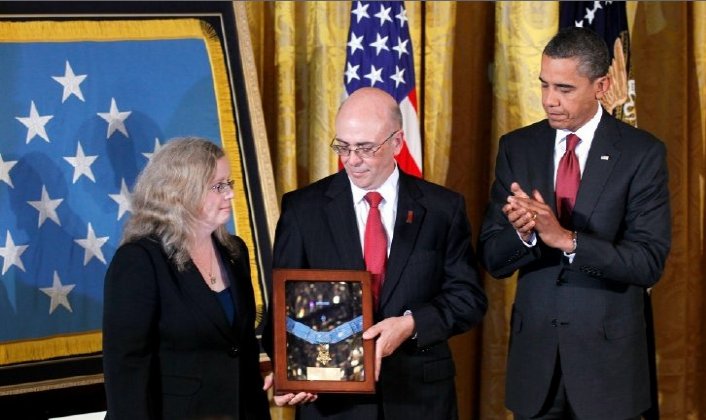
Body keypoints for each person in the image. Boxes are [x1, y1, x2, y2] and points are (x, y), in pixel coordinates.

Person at [478, 27, 671, 420]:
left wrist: (567, 239)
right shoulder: (517, 147)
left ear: (601, 86)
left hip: (608, 369)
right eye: (544, 85)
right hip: (536, 366)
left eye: (564, 89)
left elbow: (647, 262)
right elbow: (493, 259)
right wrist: (522, 235)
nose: (550, 100)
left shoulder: (641, 153)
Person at [267, 87, 487, 419]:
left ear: (397, 142)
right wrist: (293, 373)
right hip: (333, 404)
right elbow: (284, 305)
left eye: (365, 148)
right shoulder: (302, 209)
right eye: (343, 146)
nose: (352, 160)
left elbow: (468, 297)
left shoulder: (442, 208)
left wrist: (411, 324)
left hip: (418, 399)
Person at [102, 137, 271, 420]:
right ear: (181, 193)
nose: (230, 193)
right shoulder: (139, 261)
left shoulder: (234, 251)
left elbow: (243, 348)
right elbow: (127, 368)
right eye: (218, 186)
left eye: (229, 183)